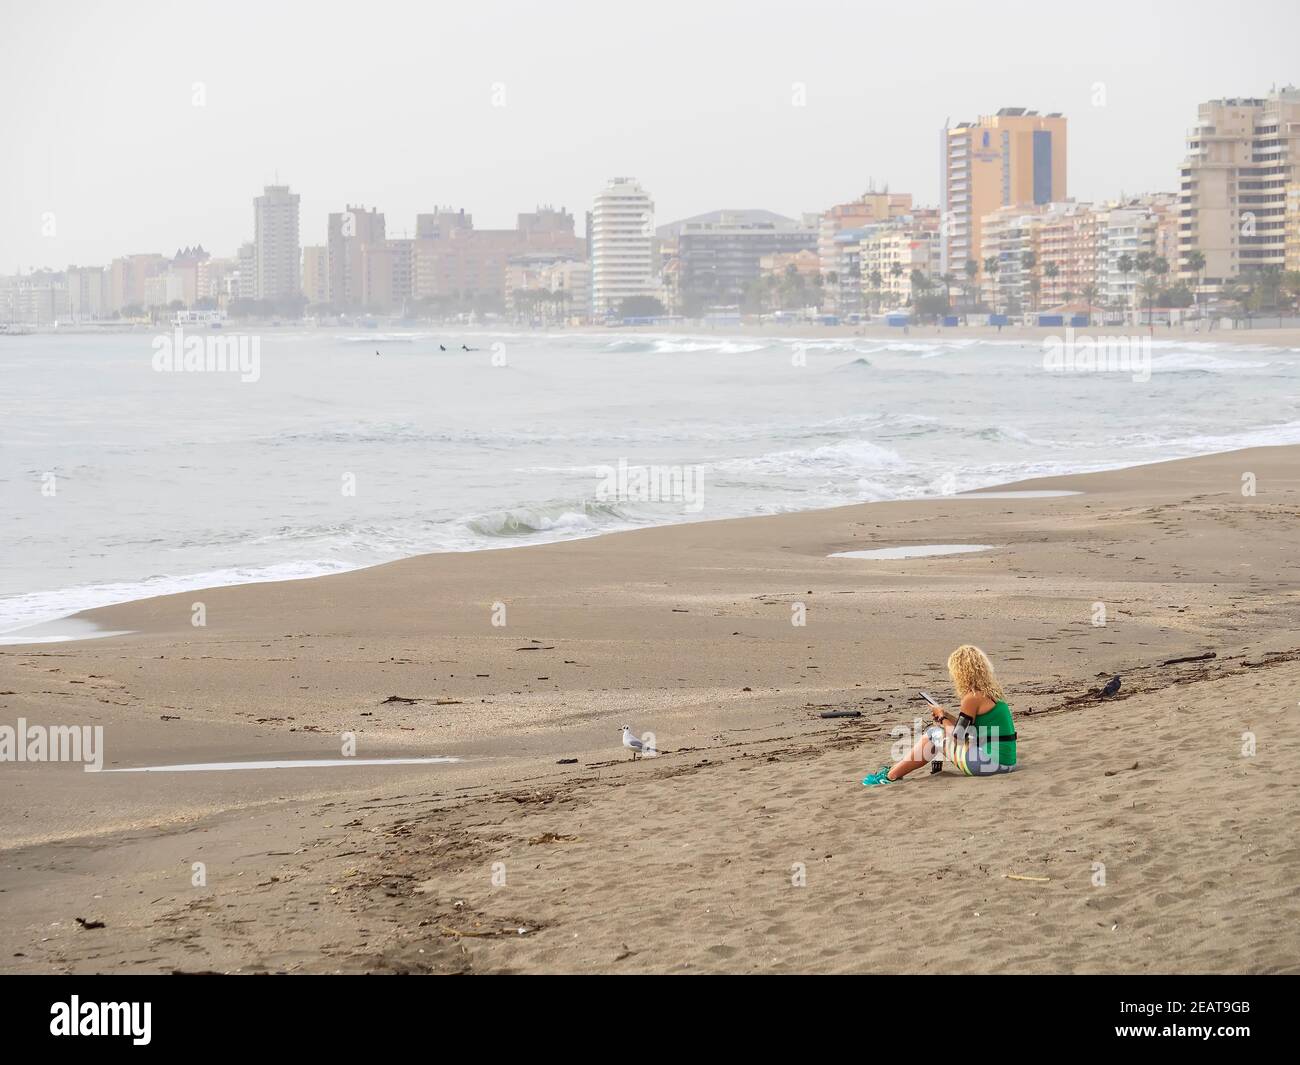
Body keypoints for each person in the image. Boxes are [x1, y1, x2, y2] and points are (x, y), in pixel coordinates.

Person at [862, 645, 1017, 786]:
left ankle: (890, 776)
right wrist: (947, 715)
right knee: (937, 731)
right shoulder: (993, 694)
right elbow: (973, 728)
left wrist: (942, 719)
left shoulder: (972, 697)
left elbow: (959, 738)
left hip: (989, 764)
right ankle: (894, 771)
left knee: (932, 734)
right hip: (1007, 763)